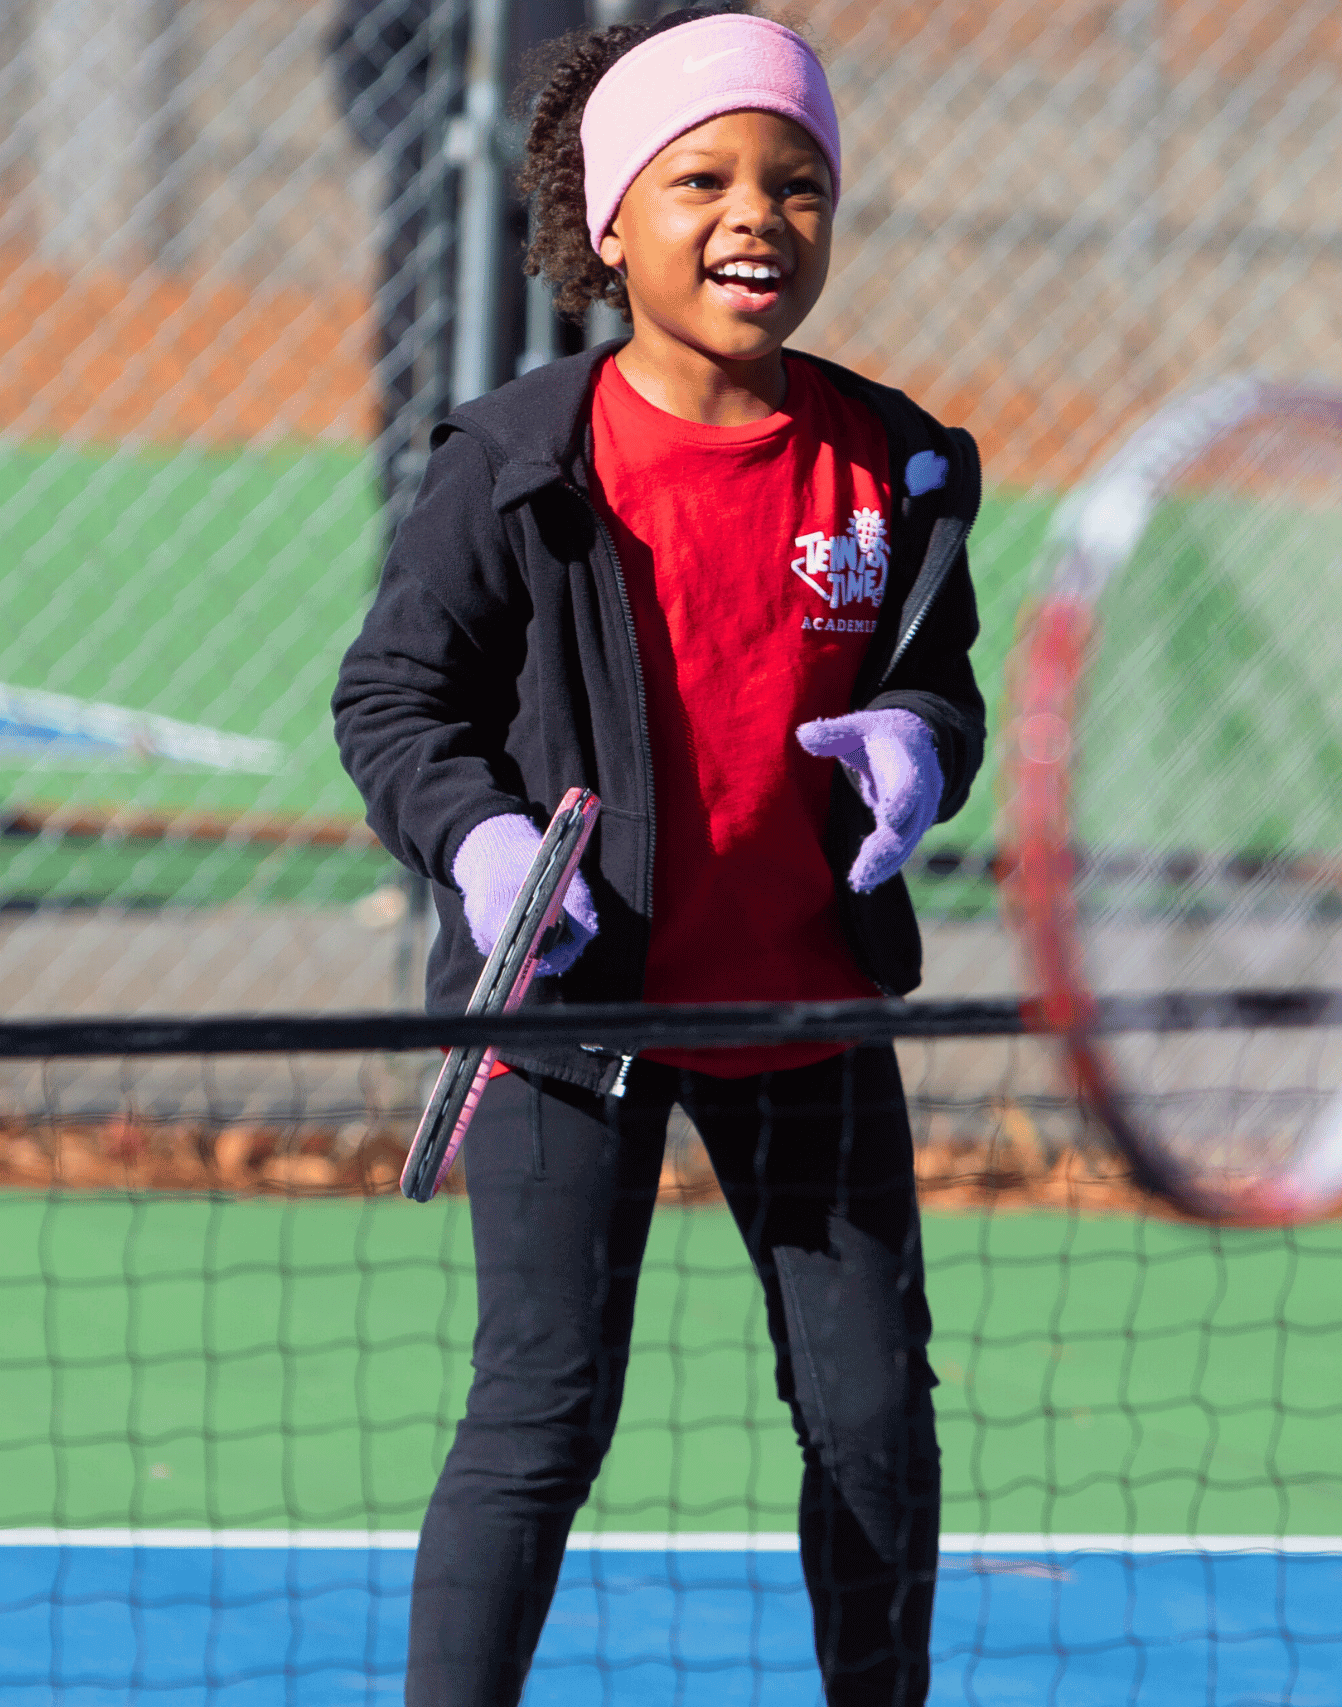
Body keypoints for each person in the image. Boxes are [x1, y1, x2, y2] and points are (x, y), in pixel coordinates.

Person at [331, 9, 982, 1702]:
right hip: (569, 1024)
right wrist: (479, 849)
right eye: (703, 178)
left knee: (875, 1428)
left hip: (806, 1018)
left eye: (799, 182)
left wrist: (921, 747)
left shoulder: (896, 466)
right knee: (541, 1414)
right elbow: (396, 697)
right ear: (610, 219)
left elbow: (931, 673)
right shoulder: (515, 462)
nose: (756, 213)